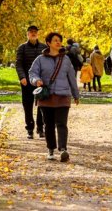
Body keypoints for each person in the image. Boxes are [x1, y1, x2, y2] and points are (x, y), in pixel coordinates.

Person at [29, 32, 80, 162]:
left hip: (63, 95)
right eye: (55, 40)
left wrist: (75, 94)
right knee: (49, 124)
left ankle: (63, 149)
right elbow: (32, 73)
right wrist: (36, 81)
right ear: (48, 43)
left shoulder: (66, 59)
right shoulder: (40, 59)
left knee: (62, 123)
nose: (58, 42)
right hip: (46, 97)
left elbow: (72, 78)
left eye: (60, 40)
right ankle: (50, 149)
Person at [15, 25, 47, 140]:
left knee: (42, 105)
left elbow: (46, 64)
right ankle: (29, 128)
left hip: (40, 82)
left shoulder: (44, 47)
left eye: (35, 32)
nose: (33, 33)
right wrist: (22, 77)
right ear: (27, 34)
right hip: (27, 82)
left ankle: (40, 127)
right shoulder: (22, 48)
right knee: (27, 105)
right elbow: (19, 64)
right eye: (31, 32)